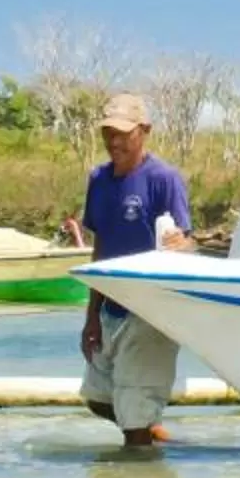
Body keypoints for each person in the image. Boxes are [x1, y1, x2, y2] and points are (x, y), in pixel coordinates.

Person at [63, 92, 194, 447]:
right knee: (98, 400)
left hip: (152, 311)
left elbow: (185, 243)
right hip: (112, 308)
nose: (115, 141)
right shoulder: (99, 179)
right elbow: (101, 246)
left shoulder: (163, 178)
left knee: (133, 425)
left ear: (144, 131)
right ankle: (150, 432)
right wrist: (91, 316)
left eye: (123, 133)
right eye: (109, 133)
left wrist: (180, 245)